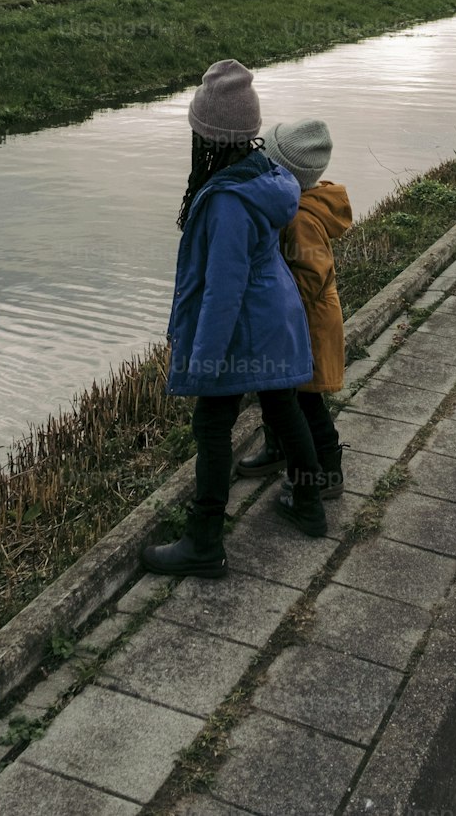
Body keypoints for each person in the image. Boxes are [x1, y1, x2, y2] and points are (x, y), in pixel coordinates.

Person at [142, 60, 328, 580]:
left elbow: (222, 293)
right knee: (284, 407)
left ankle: (203, 542)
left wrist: (202, 364)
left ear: (212, 137)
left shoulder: (225, 201)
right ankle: (310, 506)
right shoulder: (263, 173)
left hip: (245, 328)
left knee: (212, 424)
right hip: (275, 318)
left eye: (198, 132)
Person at [237, 119, 352, 499]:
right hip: (296, 320)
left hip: (309, 325)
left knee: (306, 399)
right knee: (279, 392)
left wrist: (273, 291)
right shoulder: (293, 205)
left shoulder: (301, 218)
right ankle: (279, 449)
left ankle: (327, 474)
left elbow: (311, 276)